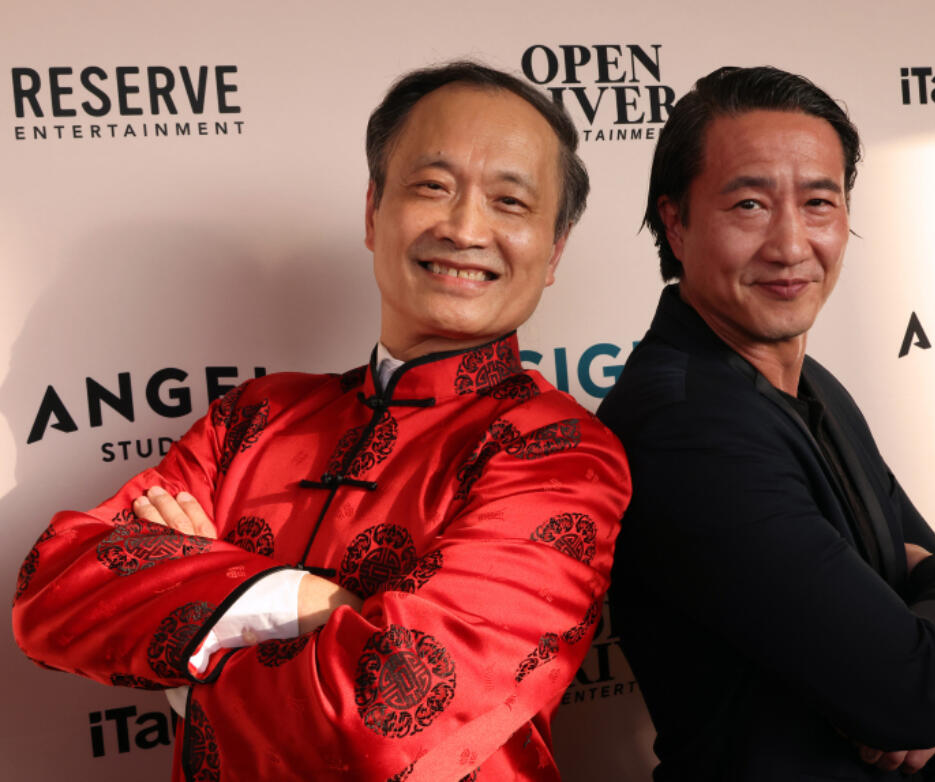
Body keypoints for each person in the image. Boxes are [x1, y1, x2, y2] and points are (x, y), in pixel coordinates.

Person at [12, 61, 630, 782]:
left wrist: (192, 655)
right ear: (373, 212)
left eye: (509, 202)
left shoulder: (560, 453)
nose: (465, 227)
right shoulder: (253, 416)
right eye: (432, 186)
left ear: (553, 251)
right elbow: (51, 590)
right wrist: (308, 601)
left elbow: (386, 714)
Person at [597, 66, 935, 780]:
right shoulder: (683, 424)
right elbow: (913, 691)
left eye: (819, 203)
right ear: (676, 222)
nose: (789, 244)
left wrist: (925, 650)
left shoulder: (812, 384)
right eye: (749, 204)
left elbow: (917, 673)